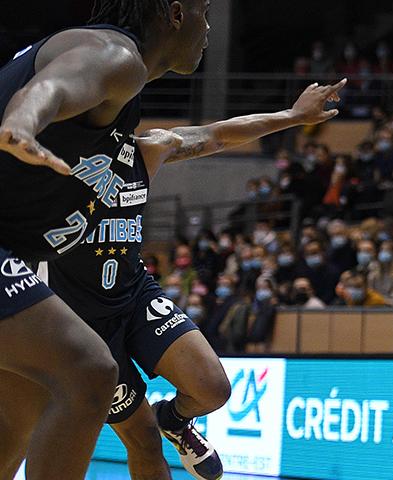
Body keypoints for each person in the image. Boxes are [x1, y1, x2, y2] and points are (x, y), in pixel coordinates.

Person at [45, 69, 344, 479]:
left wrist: (293, 116)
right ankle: (157, 426)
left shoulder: (146, 150)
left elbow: (217, 135)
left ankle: (175, 419)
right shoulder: (48, 166)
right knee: (142, 438)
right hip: (82, 321)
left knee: (213, 389)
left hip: (135, 294)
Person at [0, 3, 228, 478]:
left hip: (34, 263)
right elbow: (52, 87)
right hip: (48, 278)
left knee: (18, 421)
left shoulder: (123, 93)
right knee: (90, 373)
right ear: (176, 13)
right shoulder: (117, 56)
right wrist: (22, 122)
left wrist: (292, 114)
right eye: (205, 9)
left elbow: (215, 135)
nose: (211, 25)